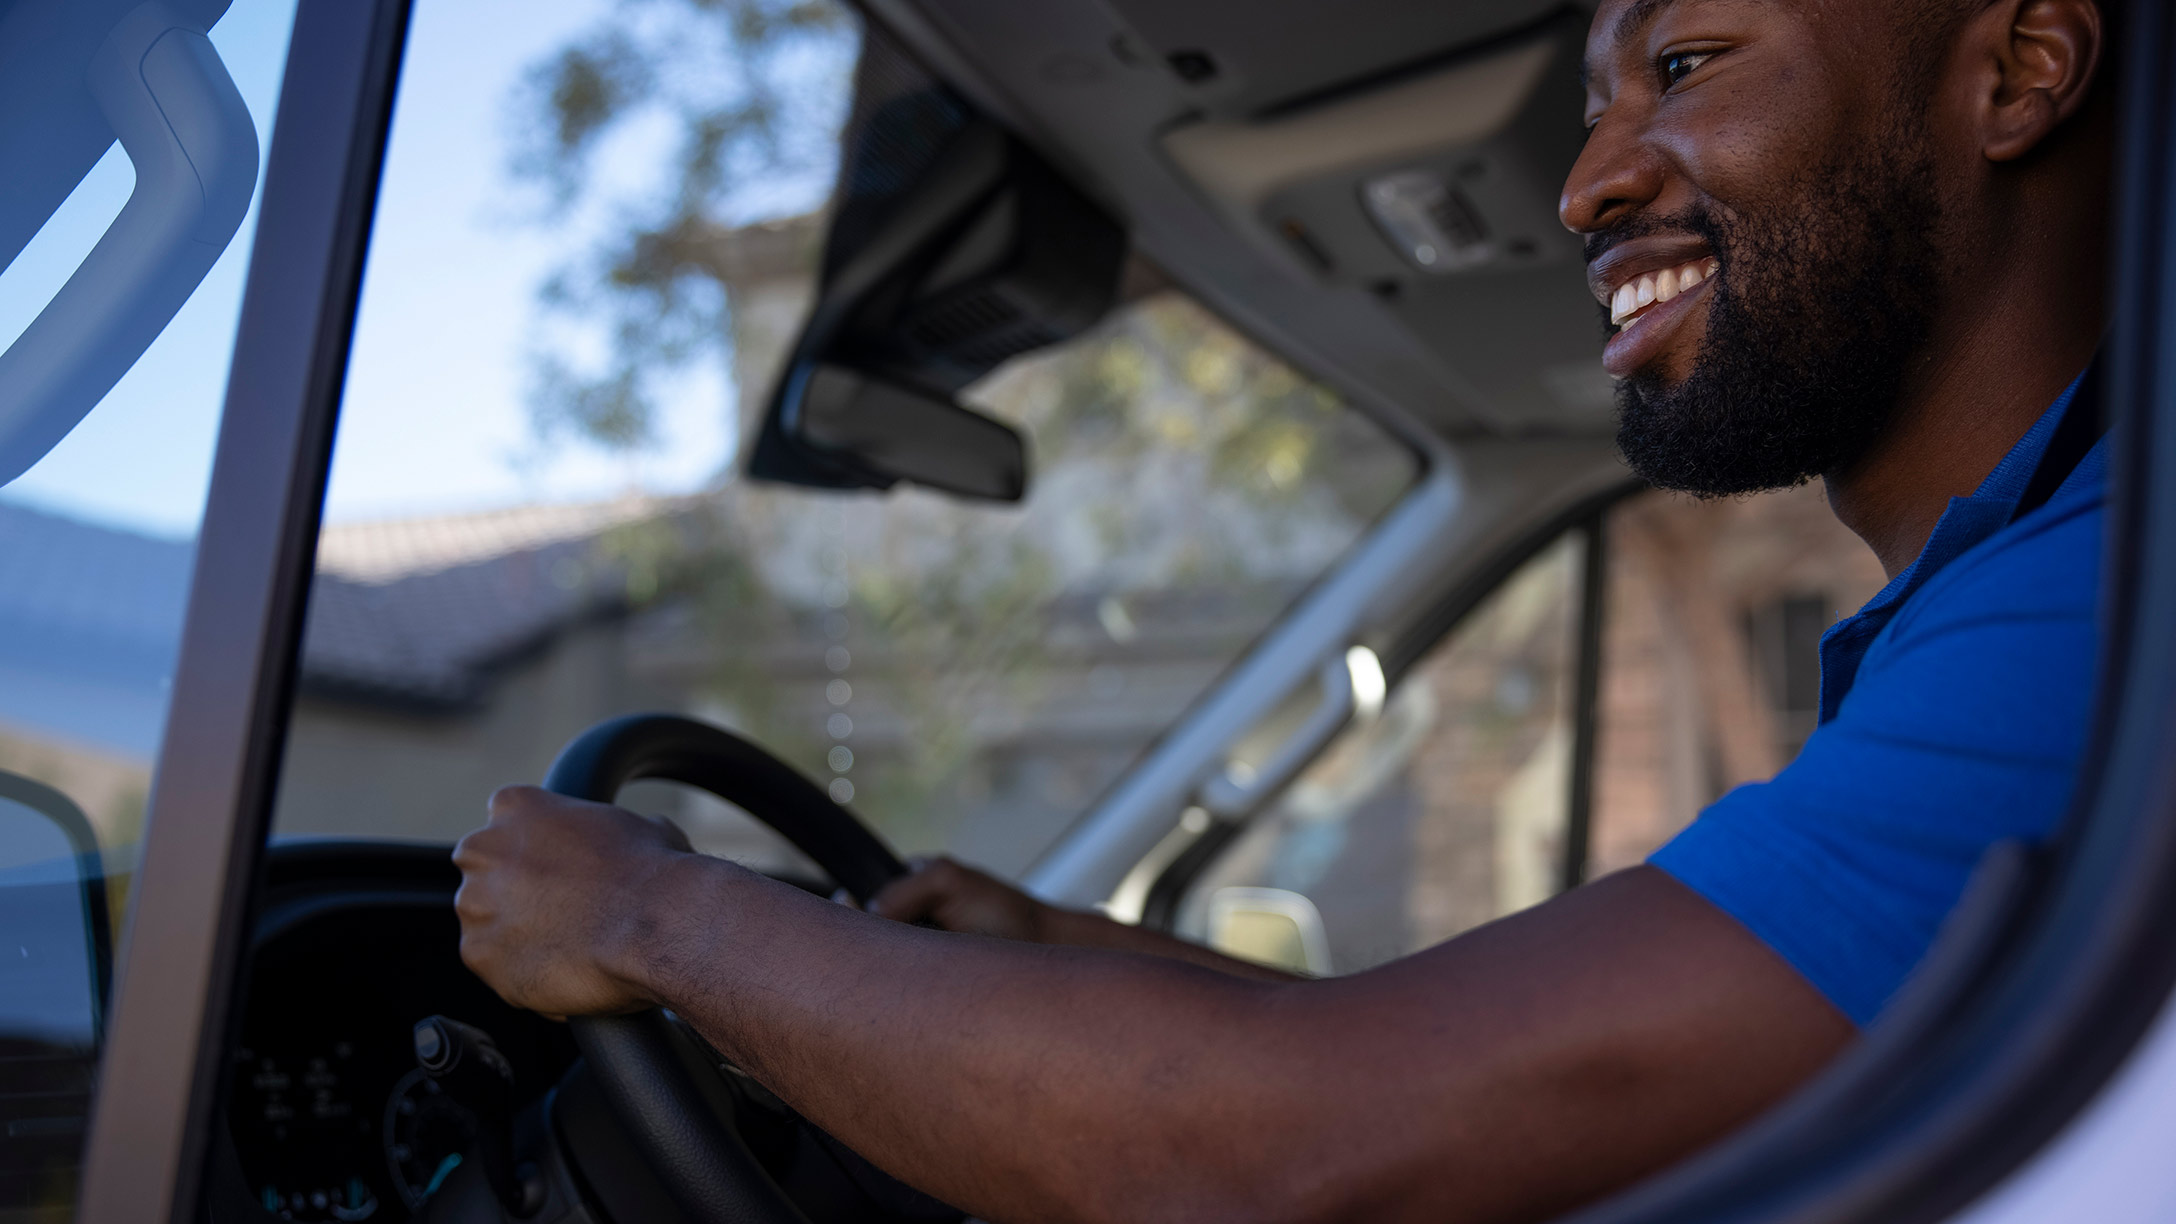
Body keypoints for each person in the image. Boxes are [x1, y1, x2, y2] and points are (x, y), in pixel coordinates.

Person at [450, 0, 2114, 1219]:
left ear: (2020, 69)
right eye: (1601, 99)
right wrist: (1080, 957)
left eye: (1682, 68)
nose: (1586, 184)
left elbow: (1281, 1152)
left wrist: (653, 923)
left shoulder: (2086, 622)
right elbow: (1472, 1095)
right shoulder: (2021, 606)